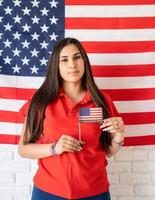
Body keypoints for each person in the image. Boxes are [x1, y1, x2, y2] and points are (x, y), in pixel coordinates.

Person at [18, 37, 125, 200]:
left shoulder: (102, 100)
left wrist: (118, 137)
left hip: (95, 193)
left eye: (77, 57)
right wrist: (55, 148)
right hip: (48, 192)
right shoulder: (41, 101)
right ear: (56, 65)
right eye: (64, 60)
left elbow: (107, 151)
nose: (72, 64)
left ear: (84, 61)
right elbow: (23, 149)